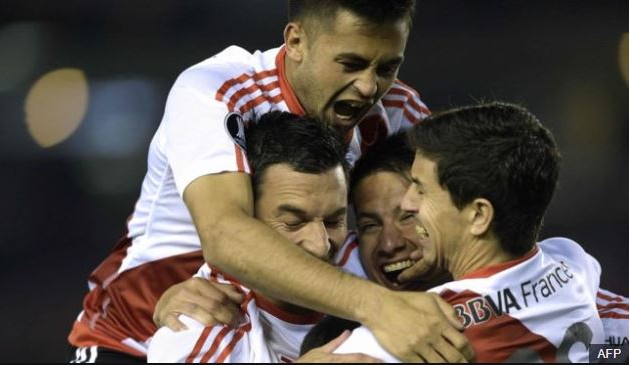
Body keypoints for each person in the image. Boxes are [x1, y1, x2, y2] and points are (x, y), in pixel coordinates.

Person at [68, 1, 472, 362]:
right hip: (137, 340)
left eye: (387, 67)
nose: (370, 87)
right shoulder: (216, 94)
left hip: (281, 340)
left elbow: (468, 227)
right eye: (350, 64)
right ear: (296, 41)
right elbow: (226, 235)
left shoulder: (395, 114)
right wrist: (381, 308)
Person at [330, 102, 606, 362]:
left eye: (421, 189)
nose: (408, 202)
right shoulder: (570, 260)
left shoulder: (416, 334)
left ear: (478, 215)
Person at [148, 111, 379, 363]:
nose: (320, 245)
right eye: (294, 223)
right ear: (248, 218)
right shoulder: (200, 325)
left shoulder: (375, 261)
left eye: (334, 221)